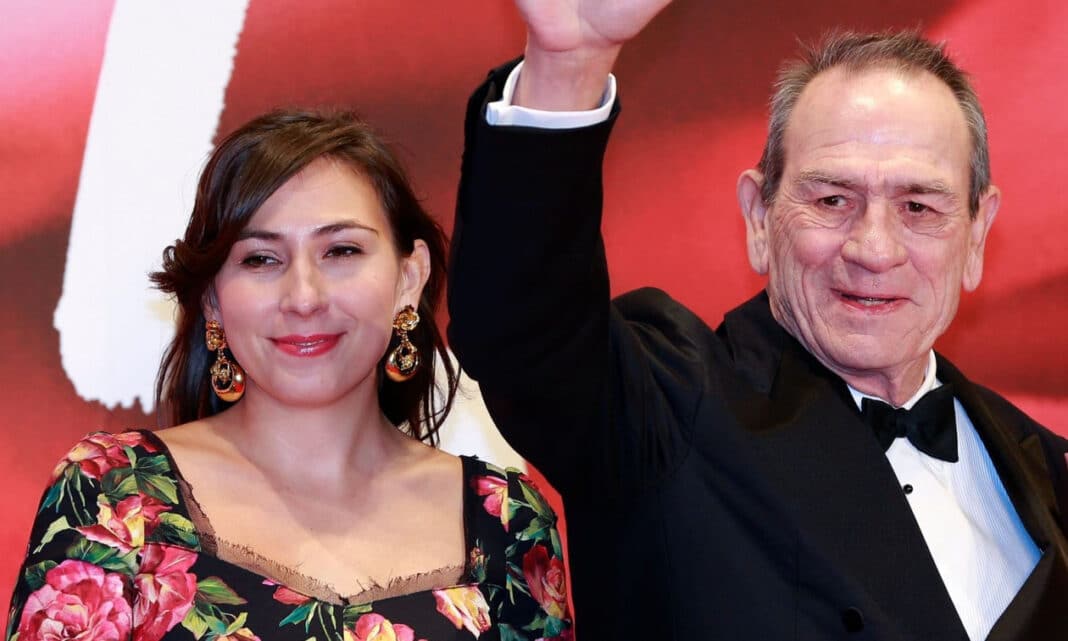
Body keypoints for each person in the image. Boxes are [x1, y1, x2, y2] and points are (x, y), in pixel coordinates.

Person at [447, 1, 1068, 639]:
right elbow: (525, 329)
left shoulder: (1047, 466)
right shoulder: (668, 412)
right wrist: (567, 67)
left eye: (918, 207)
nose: (875, 249)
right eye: (833, 199)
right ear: (760, 219)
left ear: (976, 235)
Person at [7, 110, 572, 641]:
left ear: (409, 277)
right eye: (261, 259)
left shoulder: (507, 521)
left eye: (341, 251)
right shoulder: (111, 492)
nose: (303, 297)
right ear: (212, 299)